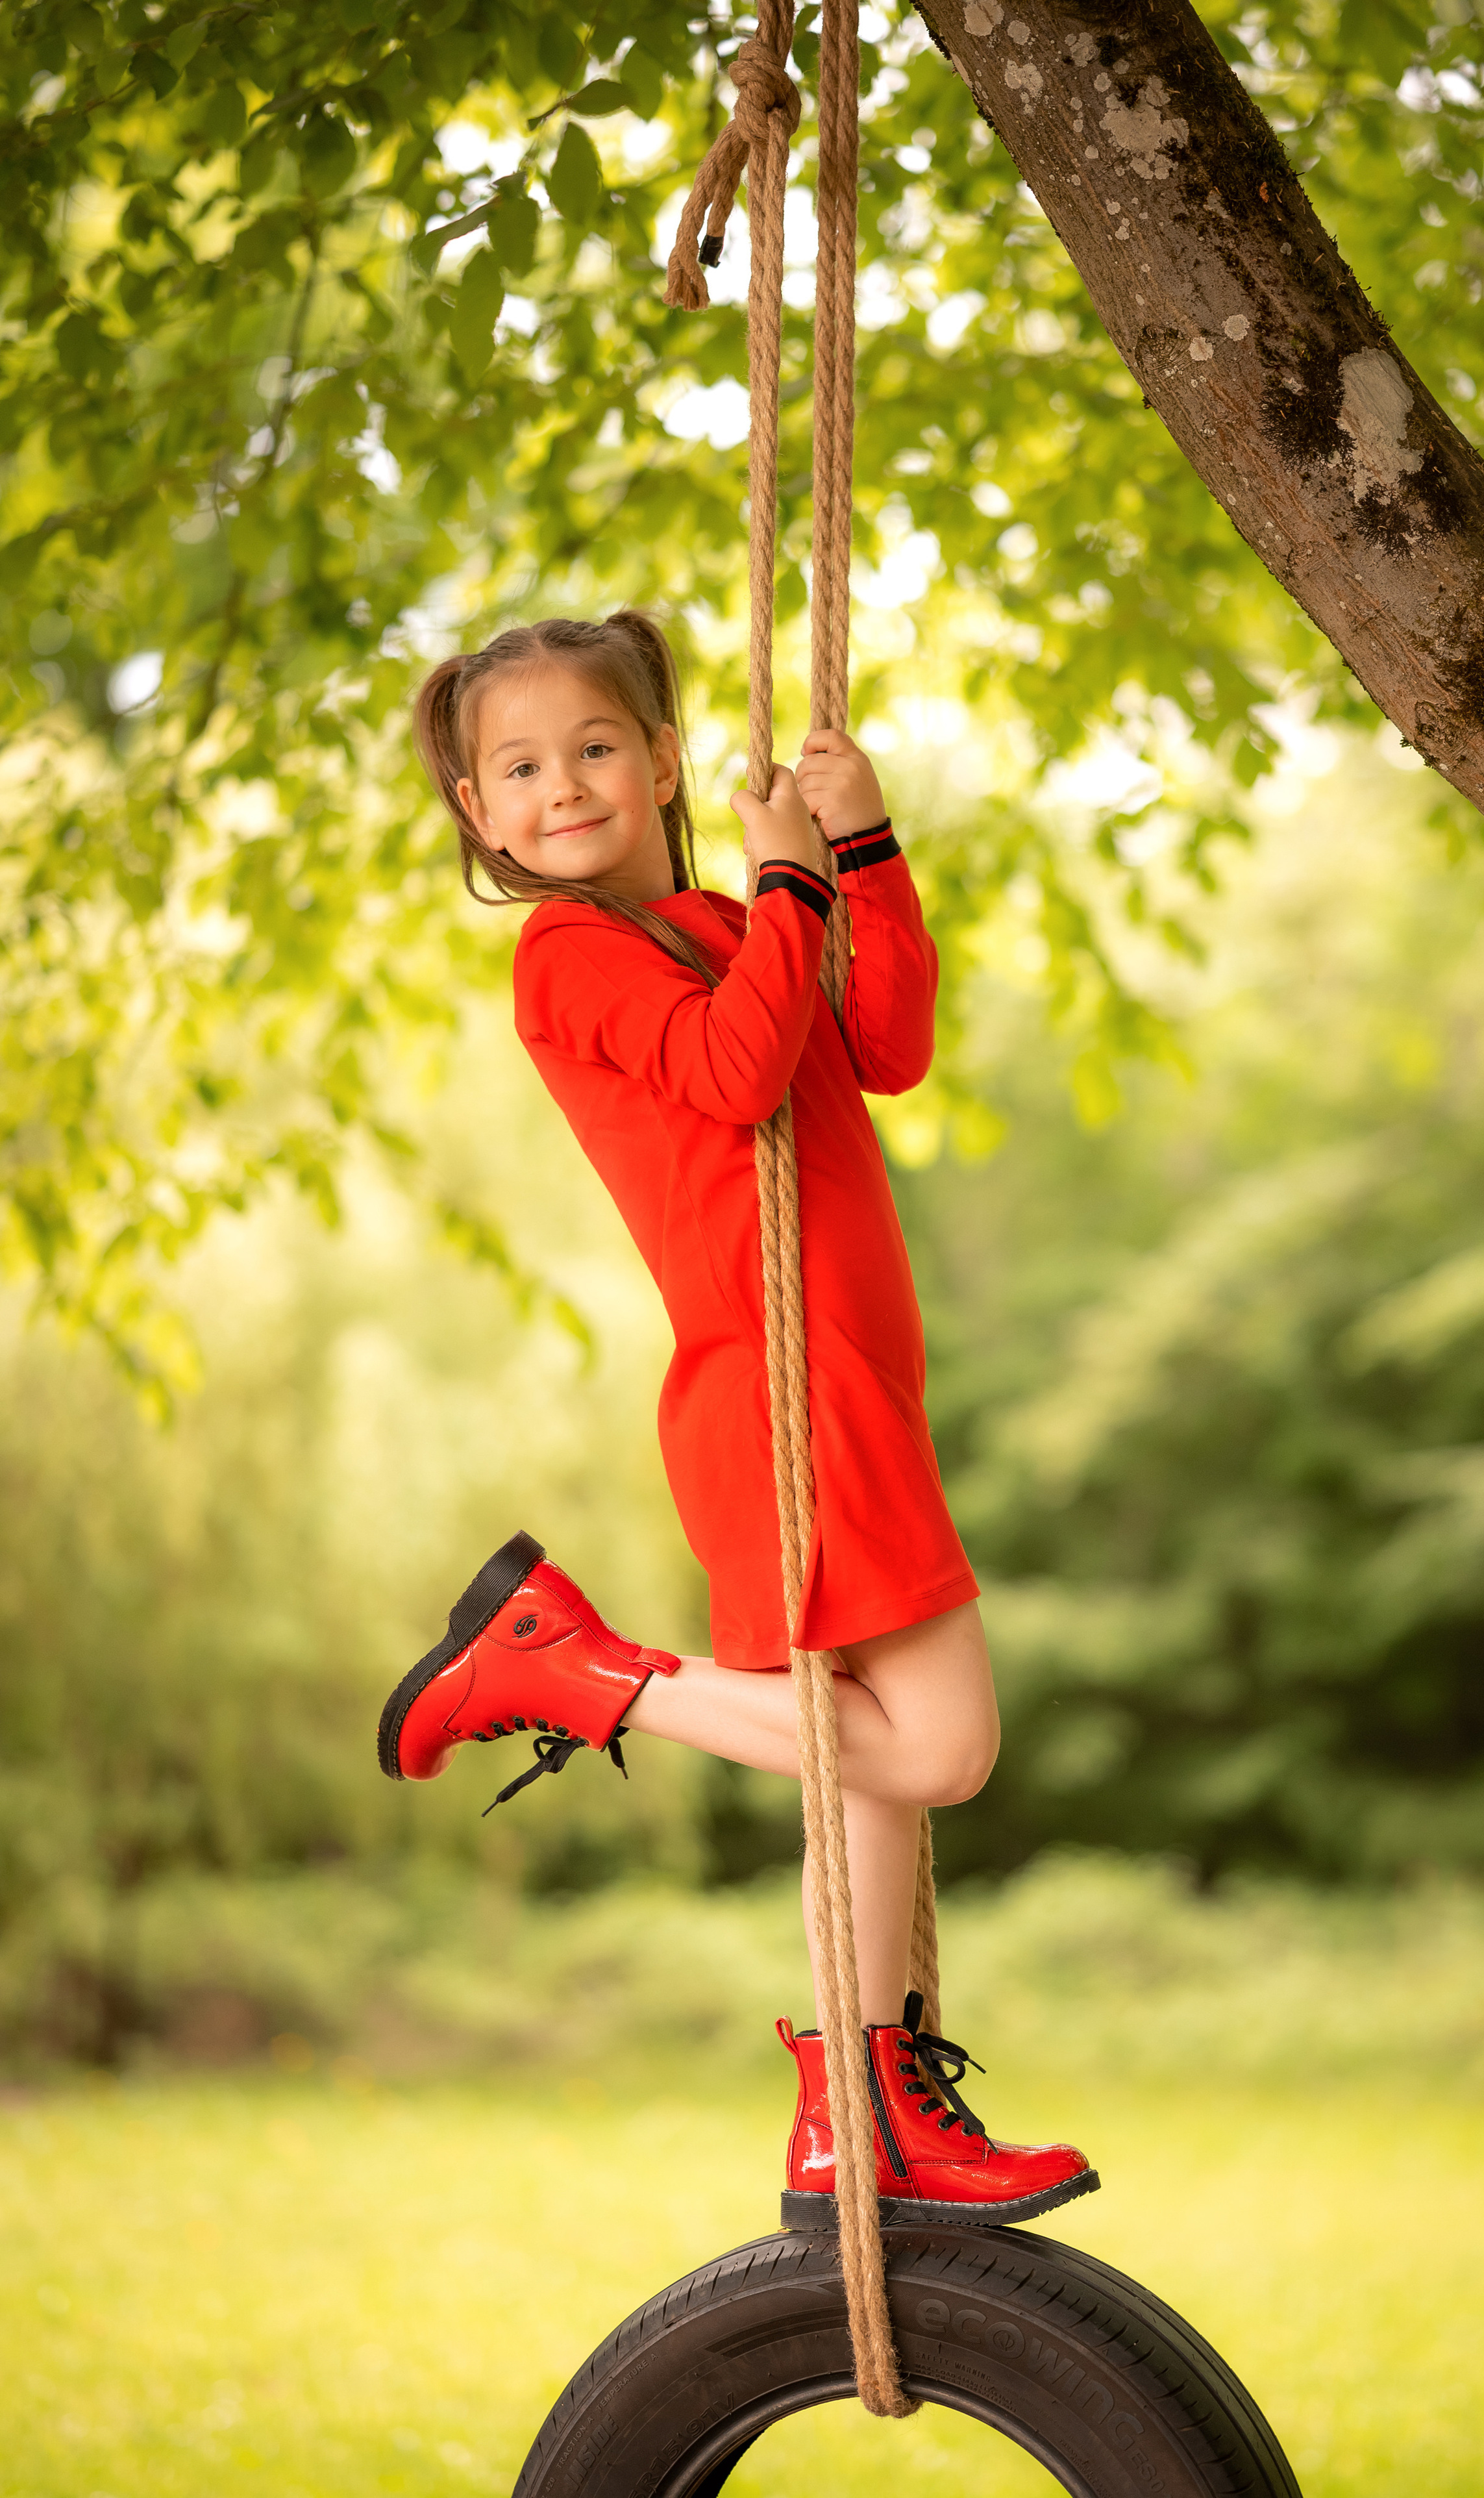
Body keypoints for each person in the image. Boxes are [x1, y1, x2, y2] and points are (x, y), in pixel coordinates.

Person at [378, 611, 1094, 2225]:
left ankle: (860, 2114)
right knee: (939, 1747)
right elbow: (734, 1071)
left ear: (664, 759)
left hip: (853, 1383)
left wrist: (862, 847)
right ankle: (568, 1669)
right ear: (483, 818)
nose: (564, 785)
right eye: (519, 768)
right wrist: (788, 885)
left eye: (594, 747)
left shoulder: (718, 915)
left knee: (882, 1779)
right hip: (776, 1387)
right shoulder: (567, 955)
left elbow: (882, 1043)